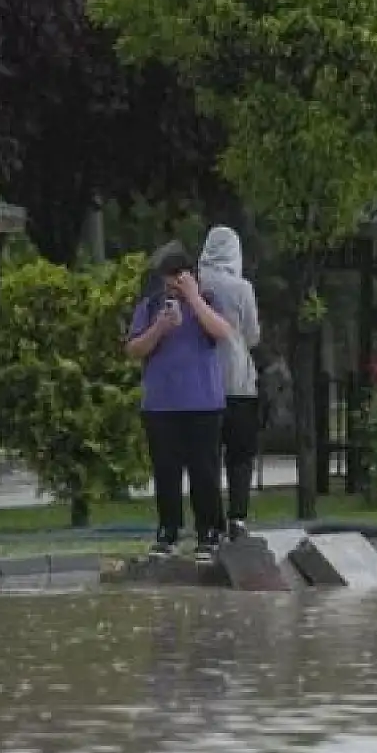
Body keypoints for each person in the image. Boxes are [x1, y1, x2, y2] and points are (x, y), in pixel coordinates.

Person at [126, 242, 232, 562]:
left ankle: (209, 531)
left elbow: (222, 332)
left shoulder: (209, 301)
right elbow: (133, 349)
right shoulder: (151, 306)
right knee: (167, 471)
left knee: (205, 471)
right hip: (161, 405)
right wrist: (159, 327)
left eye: (179, 276)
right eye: (168, 278)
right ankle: (168, 531)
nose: (173, 283)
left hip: (202, 403)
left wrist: (195, 298)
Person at [198, 226, 262, 541]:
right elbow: (252, 335)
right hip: (238, 381)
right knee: (240, 455)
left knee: (207, 456)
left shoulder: (194, 284)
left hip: (201, 384)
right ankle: (237, 517)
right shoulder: (242, 289)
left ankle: (210, 522)